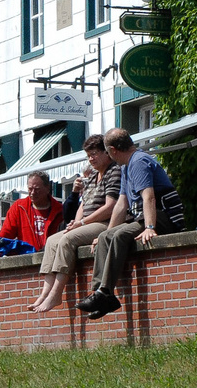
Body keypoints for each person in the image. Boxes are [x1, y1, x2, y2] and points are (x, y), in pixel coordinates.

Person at [77, 129, 185, 322]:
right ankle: (99, 294)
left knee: (120, 236)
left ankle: (105, 292)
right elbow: (121, 204)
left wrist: (150, 227)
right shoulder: (126, 166)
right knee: (105, 236)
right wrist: (105, 232)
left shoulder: (139, 162)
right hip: (143, 217)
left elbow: (148, 197)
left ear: (112, 150)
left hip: (163, 217)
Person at [32, 135, 119, 313]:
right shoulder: (93, 175)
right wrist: (75, 222)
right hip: (86, 222)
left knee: (67, 241)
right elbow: (84, 204)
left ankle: (56, 294)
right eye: (88, 156)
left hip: (104, 222)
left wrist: (82, 222)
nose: (91, 159)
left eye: (94, 154)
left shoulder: (114, 171)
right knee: (52, 241)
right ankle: (45, 293)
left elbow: (110, 207)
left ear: (106, 153)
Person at [0, 170, 65, 256]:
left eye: (37, 189)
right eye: (30, 189)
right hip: (28, 260)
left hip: (53, 257)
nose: (33, 193)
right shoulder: (19, 207)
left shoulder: (60, 210)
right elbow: (3, 237)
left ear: (47, 188)